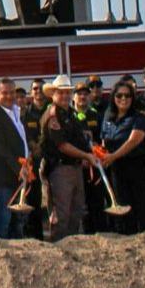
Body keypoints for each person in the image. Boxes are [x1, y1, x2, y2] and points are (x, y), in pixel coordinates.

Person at [40, 77, 98, 241]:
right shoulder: (53, 115)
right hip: (60, 169)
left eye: (67, 92)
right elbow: (62, 145)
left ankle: (71, 245)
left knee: (76, 210)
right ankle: (59, 247)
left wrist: (87, 152)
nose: (65, 96)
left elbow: (77, 138)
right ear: (53, 94)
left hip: (75, 166)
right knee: (62, 213)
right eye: (61, 92)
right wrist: (86, 155)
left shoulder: (71, 113)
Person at [99, 80, 145, 233]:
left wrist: (113, 156)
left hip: (138, 167)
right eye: (119, 95)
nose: (123, 99)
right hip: (117, 169)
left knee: (142, 206)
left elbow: (133, 141)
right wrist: (102, 154)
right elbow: (104, 140)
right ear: (113, 97)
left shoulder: (139, 118)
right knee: (122, 204)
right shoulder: (108, 118)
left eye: (127, 96)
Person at [0, 79, 30, 239]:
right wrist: (19, 167)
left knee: (17, 221)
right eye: (5, 93)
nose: (9, 96)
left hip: (17, 176)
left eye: (12, 92)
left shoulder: (16, 113)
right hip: (3, 178)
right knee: (4, 220)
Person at [72, 84, 106, 233]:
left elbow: (102, 139)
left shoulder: (95, 115)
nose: (83, 97)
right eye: (79, 94)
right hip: (77, 166)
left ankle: (99, 232)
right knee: (80, 204)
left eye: (85, 94)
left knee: (97, 201)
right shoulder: (69, 116)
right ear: (74, 97)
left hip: (95, 165)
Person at [20, 79, 48, 239]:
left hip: (37, 162)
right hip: (19, 165)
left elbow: (43, 135)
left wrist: (37, 148)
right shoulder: (13, 117)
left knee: (36, 200)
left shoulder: (35, 115)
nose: (38, 91)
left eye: (40, 88)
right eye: (35, 89)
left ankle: (38, 236)